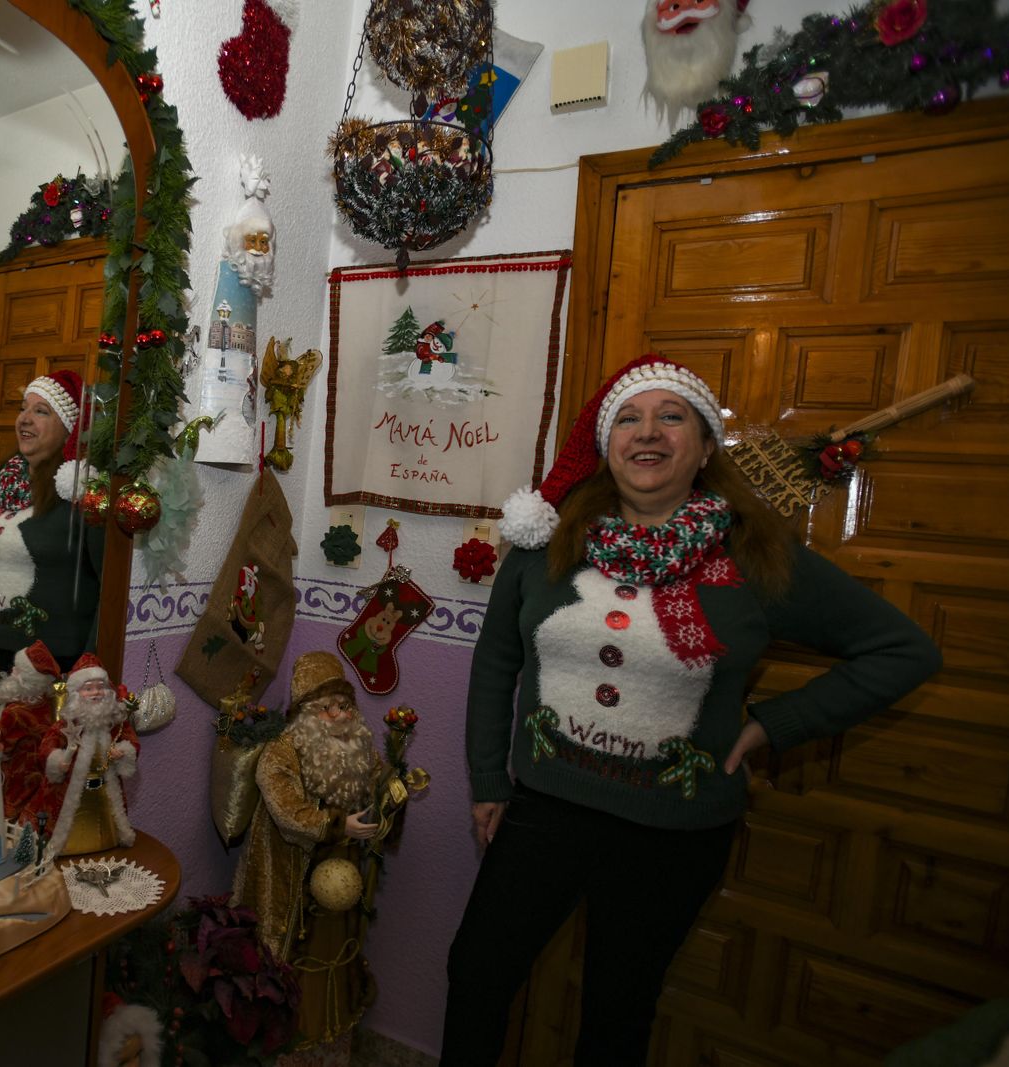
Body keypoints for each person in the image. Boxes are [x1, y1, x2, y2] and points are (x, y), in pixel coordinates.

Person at [440, 355, 943, 1065]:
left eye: (671, 416)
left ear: (705, 447)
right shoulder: (546, 542)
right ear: (605, 442)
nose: (648, 433)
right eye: (628, 417)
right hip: (545, 810)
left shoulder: (756, 555)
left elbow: (902, 649)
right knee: (478, 975)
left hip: (672, 833)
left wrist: (774, 723)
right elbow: (497, 661)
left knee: (616, 1012)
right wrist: (489, 778)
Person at [231, 650, 384, 1058]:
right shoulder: (282, 752)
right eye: (325, 708)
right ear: (305, 713)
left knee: (330, 950)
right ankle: (286, 1034)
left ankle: (329, 1022)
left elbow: (377, 778)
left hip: (340, 874)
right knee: (286, 955)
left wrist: (393, 788)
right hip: (291, 871)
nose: (337, 716)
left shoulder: (356, 744)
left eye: (343, 705)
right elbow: (287, 810)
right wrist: (337, 825)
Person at [0, 369, 103, 687]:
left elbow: (108, 579)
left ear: (68, 429)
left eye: (40, 411)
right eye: (24, 408)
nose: (24, 418)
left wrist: (90, 658)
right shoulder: (5, 477)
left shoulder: (79, 488)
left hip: (53, 657)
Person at [41, 653, 138, 855]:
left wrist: (124, 752)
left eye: (100, 687)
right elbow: (47, 745)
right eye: (88, 688)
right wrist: (58, 760)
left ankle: (110, 839)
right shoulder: (67, 725)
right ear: (77, 693)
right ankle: (65, 847)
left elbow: (131, 741)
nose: (96, 693)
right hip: (73, 793)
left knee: (109, 824)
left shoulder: (114, 724)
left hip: (104, 793)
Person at [0, 639, 63, 825]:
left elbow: (0, 748)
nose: (12, 672)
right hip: (41, 774)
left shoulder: (13, 713)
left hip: (17, 776)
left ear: (27, 681)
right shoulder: (48, 703)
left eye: (17, 670)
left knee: (7, 815)